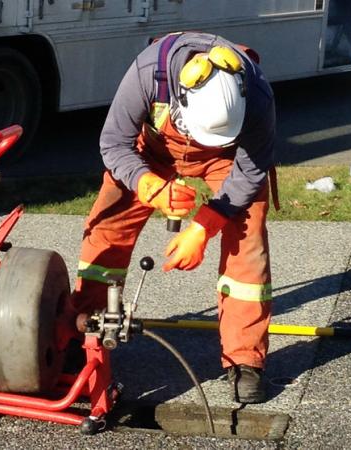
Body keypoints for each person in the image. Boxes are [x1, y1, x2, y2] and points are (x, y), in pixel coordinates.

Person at [70, 32, 277, 403]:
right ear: (180, 98)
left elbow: (250, 171)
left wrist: (205, 224)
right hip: (151, 153)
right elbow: (113, 142)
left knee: (247, 239)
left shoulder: (257, 96)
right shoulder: (148, 73)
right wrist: (148, 185)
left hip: (225, 162)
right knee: (107, 227)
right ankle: (84, 331)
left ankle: (245, 360)